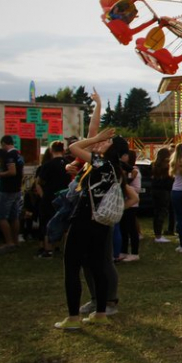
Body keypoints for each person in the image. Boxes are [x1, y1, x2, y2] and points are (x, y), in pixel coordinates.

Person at [54, 128, 139, 330]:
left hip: (84, 220)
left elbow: (74, 147)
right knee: (98, 266)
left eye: (106, 142)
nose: (101, 144)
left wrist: (96, 138)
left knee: (72, 267)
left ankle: (73, 318)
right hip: (101, 223)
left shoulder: (102, 163)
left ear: (112, 149)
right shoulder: (117, 170)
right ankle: (100, 313)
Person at [0, 135, 24, 253]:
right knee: (14, 217)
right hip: (17, 189)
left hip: (7, 190)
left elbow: (12, 172)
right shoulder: (19, 155)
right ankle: (16, 241)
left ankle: (9, 243)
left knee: (0, 216)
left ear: (4, 143)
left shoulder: (10, 155)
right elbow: (20, 173)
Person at [35, 141, 70, 258]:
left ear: (51, 151)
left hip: (50, 197)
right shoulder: (69, 164)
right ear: (63, 150)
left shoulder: (47, 165)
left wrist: (42, 195)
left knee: (47, 223)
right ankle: (65, 248)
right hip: (65, 197)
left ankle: (48, 250)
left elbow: (39, 182)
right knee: (65, 223)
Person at [118, 151, 142, 262]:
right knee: (123, 228)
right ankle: (123, 251)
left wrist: (127, 186)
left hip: (132, 204)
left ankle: (135, 252)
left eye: (124, 155)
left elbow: (137, 188)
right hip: (123, 202)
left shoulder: (135, 171)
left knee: (132, 229)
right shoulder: (122, 170)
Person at [150, 148, 173, 244]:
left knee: (156, 212)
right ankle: (159, 235)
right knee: (162, 212)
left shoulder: (154, 165)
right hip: (164, 191)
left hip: (155, 190)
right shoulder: (167, 166)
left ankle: (157, 234)